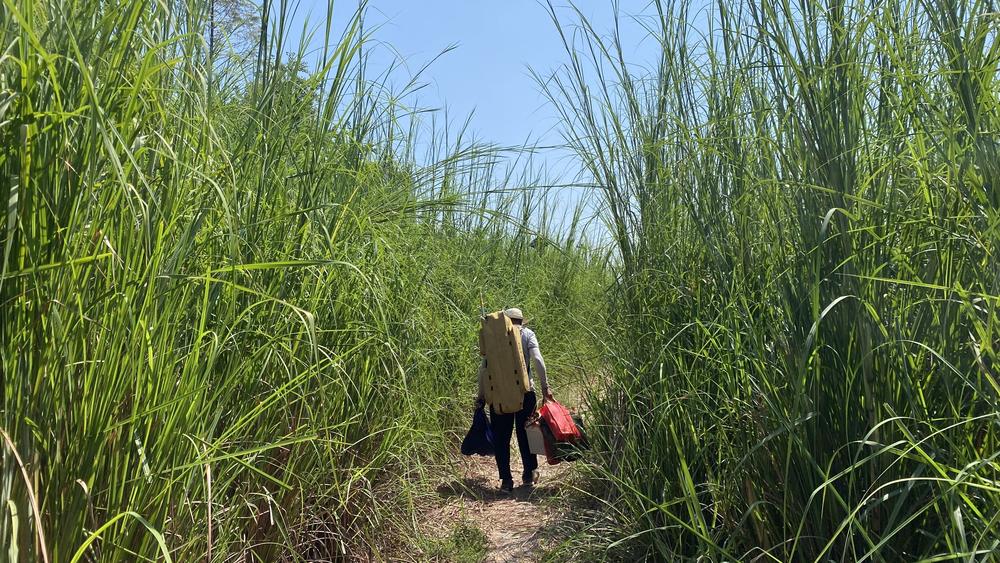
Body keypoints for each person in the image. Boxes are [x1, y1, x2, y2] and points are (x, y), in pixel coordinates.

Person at [476, 307, 554, 494]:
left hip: (498, 397)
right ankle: (528, 474)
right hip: (525, 394)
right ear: (520, 321)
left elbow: (483, 370)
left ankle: (506, 481)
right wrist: (545, 387)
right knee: (525, 433)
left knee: (501, 437)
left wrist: (481, 397)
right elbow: (537, 359)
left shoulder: (494, 339)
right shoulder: (527, 334)